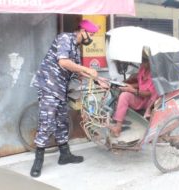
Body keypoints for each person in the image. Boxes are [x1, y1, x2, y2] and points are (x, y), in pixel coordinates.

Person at [30, 20, 99, 177]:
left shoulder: (75, 48)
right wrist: (87, 69)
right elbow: (63, 62)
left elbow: (76, 71)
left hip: (61, 89)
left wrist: (95, 78)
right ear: (82, 31)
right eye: (91, 34)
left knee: (62, 121)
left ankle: (65, 155)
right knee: (47, 122)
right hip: (49, 85)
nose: (92, 38)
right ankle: (38, 161)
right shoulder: (65, 38)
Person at [109, 55, 158, 137]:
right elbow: (140, 84)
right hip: (140, 96)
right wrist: (126, 85)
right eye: (142, 61)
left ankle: (118, 127)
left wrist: (131, 90)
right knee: (119, 91)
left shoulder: (155, 74)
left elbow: (149, 93)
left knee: (125, 95)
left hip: (148, 101)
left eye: (144, 61)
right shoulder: (143, 69)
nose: (142, 63)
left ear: (150, 62)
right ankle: (117, 118)